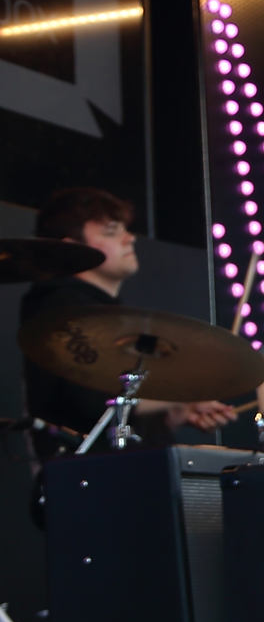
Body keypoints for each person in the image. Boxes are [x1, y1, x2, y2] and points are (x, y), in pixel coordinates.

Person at [20, 189, 238, 459]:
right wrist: (178, 397)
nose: (129, 238)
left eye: (125, 229)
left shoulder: (105, 313)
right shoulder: (60, 306)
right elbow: (88, 402)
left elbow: (116, 415)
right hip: (89, 476)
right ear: (72, 249)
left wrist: (176, 413)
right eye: (111, 232)